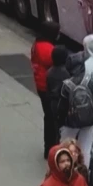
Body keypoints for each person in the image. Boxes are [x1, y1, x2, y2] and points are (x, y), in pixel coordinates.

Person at [55, 53, 93, 157]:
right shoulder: (91, 82)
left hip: (71, 122)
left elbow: (61, 108)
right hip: (88, 122)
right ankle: (84, 170)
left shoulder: (67, 85)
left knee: (65, 147)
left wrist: (62, 120)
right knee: (85, 149)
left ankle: (67, 168)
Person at [32, 21, 61, 157]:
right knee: (52, 118)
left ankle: (48, 146)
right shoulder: (46, 48)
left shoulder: (38, 44)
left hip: (41, 85)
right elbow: (53, 60)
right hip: (47, 87)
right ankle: (51, 146)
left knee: (49, 117)